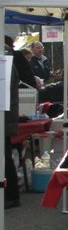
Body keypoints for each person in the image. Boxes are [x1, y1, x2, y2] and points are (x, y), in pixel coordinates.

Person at [4, 41, 20, 209]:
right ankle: (11, 194)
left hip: (4, 119)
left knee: (5, 158)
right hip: (6, 118)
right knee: (5, 157)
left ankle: (12, 195)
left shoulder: (6, 65)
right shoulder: (8, 64)